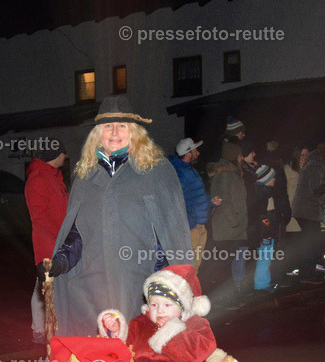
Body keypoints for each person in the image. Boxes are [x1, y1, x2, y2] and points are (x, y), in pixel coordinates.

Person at [43, 96, 192, 332]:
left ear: (134, 131)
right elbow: (76, 233)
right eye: (107, 126)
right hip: (93, 286)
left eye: (122, 125)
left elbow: (169, 234)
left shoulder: (156, 170)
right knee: (99, 359)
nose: (114, 132)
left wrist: (164, 281)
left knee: (140, 354)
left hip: (139, 283)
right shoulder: (86, 175)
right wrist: (60, 262)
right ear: (98, 133)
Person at [98, 264, 222, 362]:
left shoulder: (195, 324)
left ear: (182, 307)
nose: (160, 311)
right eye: (154, 305)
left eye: (167, 305)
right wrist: (118, 331)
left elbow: (195, 354)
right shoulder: (140, 323)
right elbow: (123, 353)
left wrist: (170, 331)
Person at [24, 138, 69, 344]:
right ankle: (39, 330)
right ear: (55, 155)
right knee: (43, 287)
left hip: (59, 242)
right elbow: (39, 216)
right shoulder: (38, 178)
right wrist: (60, 237)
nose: (65, 156)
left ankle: (49, 329)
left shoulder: (53, 176)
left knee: (49, 287)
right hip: (49, 243)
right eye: (63, 153)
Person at [168, 137, 221, 272]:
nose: (198, 153)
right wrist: (192, 222)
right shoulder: (179, 173)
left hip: (198, 225)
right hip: (191, 228)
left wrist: (210, 201)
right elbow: (176, 201)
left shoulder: (190, 170)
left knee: (194, 266)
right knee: (186, 266)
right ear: (188, 154)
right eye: (195, 150)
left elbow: (194, 196)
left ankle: (191, 291)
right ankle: (184, 291)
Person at [208, 140, 249, 299]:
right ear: (236, 156)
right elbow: (223, 201)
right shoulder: (226, 175)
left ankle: (232, 292)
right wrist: (235, 220)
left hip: (232, 226)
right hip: (228, 226)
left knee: (233, 259)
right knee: (226, 262)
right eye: (240, 155)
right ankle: (225, 296)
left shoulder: (232, 174)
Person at [289, 143, 325, 282]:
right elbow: (315, 188)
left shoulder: (314, 164)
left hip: (306, 210)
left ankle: (307, 273)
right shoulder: (316, 165)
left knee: (311, 243)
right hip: (308, 210)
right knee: (312, 244)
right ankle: (306, 274)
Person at [248, 164, 281, 292]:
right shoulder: (263, 194)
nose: (275, 179)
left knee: (266, 257)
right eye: (273, 177)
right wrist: (267, 233)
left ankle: (264, 282)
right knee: (265, 257)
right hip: (264, 230)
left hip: (266, 229)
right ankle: (261, 284)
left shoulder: (266, 192)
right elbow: (262, 215)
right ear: (266, 179)